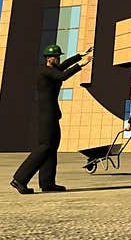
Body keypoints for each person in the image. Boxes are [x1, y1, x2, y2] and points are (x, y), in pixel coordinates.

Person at [10, 43, 92, 194]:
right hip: (45, 116)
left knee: (51, 148)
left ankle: (48, 183)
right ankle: (20, 179)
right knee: (44, 147)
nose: (59, 60)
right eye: (56, 57)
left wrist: (80, 55)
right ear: (49, 59)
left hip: (52, 115)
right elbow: (63, 75)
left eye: (59, 57)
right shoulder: (44, 71)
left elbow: (62, 67)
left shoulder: (51, 69)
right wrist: (81, 65)